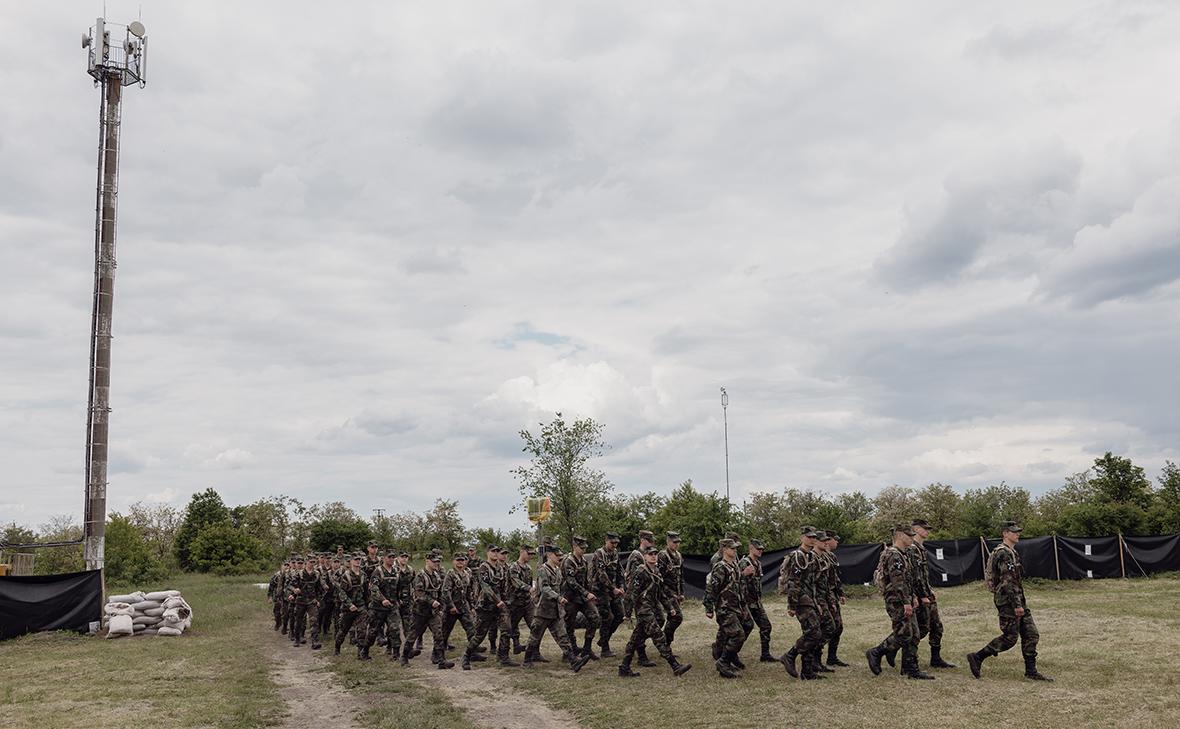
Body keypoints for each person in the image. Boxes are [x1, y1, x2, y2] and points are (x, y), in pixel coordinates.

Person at [967, 521, 1052, 681]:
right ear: (1005, 533)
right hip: (1008, 601)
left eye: (1018, 531)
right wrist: (1017, 605)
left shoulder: (1011, 552)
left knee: (1031, 634)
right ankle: (977, 657)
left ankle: (1031, 671)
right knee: (1010, 638)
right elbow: (1007, 581)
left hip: (1018, 599)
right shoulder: (1003, 553)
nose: (1017, 534)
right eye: (1013, 532)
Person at [866, 525, 933, 680]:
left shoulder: (904, 554)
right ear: (900, 536)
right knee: (904, 633)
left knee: (914, 633)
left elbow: (909, 579)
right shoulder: (894, 555)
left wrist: (914, 596)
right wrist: (906, 602)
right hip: (897, 600)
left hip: (906, 598)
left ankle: (910, 668)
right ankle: (876, 652)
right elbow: (898, 582)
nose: (911, 538)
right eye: (909, 535)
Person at [618, 545, 691, 678]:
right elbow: (631, 595)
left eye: (655, 554)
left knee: (635, 639)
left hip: (650, 608)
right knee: (659, 637)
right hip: (643, 610)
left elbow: (661, 593)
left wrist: (670, 608)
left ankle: (624, 667)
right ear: (645, 556)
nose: (653, 556)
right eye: (650, 554)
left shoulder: (656, 571)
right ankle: (675, 666)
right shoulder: (640, 571)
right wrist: (627, 614)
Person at [523, 545, 590, 672]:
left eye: (560, 556)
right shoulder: (543, 570)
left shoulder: (558, 570)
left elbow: (560, 587)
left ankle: (573, 661)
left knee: (562, 636)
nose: (559, 558)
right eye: (557, 555)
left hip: (555, 611)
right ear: (549, 555)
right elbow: (545, 588)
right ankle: (527, 660)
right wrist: (558, 598)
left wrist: (561, 599)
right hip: (543, 611)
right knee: (534, 637)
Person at [778, 526, 824, 679]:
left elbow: (813, 583)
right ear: (802, 538)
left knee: (814, 634)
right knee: (813, 632)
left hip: (810, 599)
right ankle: (790, 655)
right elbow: (794, 583)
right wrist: (792, 605)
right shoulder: (798, 556)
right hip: (801, 601)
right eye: (809, 537)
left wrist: (817, 602)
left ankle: (807, 671)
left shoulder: (811, 556)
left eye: (813, 537)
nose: (812, 539)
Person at [705, 537, 752, 678]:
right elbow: (711, 588)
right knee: (738, 635)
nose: (735, 550)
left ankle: (724, 657)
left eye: (736, 548)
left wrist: (743, 605)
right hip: (725, 608)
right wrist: (709, 607)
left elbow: (737, 586)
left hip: (735, 607)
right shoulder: (720, 567)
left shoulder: (734, 566)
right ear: (724, 549)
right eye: (732, 548)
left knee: (732, 633)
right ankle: (723, 662)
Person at [910, 519, 954, 669]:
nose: (927, 531)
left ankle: (936, 659)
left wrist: (929, 590)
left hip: (926, 593)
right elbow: (914, 576)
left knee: (937, 626)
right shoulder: (912, 549)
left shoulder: (921, 548)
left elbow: (923, 575)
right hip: (918, 596)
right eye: (924, 528)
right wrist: (920, 595)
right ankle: (886, 649)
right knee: (919, 629)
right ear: (915, 529)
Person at [401, 553, 455, 669]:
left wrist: (440, 606)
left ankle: (441, 660)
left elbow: (440, 592)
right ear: (427, 561)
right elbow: (418, 593)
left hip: (433, 613)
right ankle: (404, 657)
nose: (436, 563)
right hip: (420, 612)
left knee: (438, 634)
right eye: (434, 561)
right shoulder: (420, 576)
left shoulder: (436, 576)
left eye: (437, 561)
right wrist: (431, 601)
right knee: (412, 635)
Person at [465, 546, 512, 669]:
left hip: (499, 606)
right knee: (480, 635)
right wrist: (497, 601)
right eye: (493, 551)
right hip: (485, 606)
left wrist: (505, 601)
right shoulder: (483, 568)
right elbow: (485, 588)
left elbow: (504, 587)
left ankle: (503, 657)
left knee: (506, 630)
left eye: (497, 551)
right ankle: (467, 656)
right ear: (487, 553)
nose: (495, 554)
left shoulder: (501, 568)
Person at [562, 535, 601, 660]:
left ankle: (587, 648)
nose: (583, 550)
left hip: (582, 598)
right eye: (581, 547)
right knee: (569, 625)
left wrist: (590, 593)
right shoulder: (568, 561)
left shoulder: (584, 561)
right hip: (570, 598)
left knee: (595, 618)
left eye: (585, 547)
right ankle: (569, 650)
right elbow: (571, 582)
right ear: (574, 546)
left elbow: (586, 581)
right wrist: (586, 593)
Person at [622, 530, 657, 667]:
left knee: (654, 621)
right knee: (643, 625)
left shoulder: (646, 555)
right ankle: (640, 654)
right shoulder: (637, 556)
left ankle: (635, 650)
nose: (651, 543)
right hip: (639, 597)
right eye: (649, 540)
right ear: (642, 540)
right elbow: (637, 580)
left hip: (647, 597)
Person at [441, 552, 482, 665]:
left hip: (463, 607)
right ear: (453, 561)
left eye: (462, 560)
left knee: (471, 630)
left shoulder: (466, 573)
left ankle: (473, 653)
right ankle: (437, 654)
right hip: (451, 609)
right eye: (458, 560)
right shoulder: (450, 574)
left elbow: (468, 591)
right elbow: (446, 592)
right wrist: (451, 606)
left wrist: (472, 606)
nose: (460, 562)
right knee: (444, 632)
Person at [738, 538, 775, 663]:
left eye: (762, 549)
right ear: (751, 548)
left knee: (766, 626)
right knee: (744, 629)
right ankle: (731, 653)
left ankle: (765, 655)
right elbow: (734, 582)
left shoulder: (758, 564)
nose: (760, 551)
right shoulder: (744, 562)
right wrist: (744, 574)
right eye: (758, 549)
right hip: (745, 602)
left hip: (756, 602)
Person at [590, 533, 626, 657]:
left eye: (616, 543)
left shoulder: (615, 553)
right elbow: (601, 574)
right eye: (612, 543)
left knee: (620, 615)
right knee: (608, 617)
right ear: (606, 541)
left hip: (613, 589)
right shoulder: (599, 554)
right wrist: (613, 588)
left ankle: (603, 639)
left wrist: (621, 585)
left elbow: (619, 571)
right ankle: (605, 648)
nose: (614, 545)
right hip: (600, 590)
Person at [821, 532, 849, 667]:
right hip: (824, 596)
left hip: (832, 595)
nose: (837, 543)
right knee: (828, 627)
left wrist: (840, 593)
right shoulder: (820, 556)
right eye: (835, 540)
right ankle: (815, 659)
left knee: (838, 627)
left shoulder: (831, 556)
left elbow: (835, 578)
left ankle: (832, 657)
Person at [503, 545, 536, 658]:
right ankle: (504, 654)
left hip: (527, 603)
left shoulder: (529, 568)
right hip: (514, 603)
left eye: (532, 554)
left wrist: (532, 594)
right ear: (522, 552)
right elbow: (515, 582)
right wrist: (529, 588)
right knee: (509, 629)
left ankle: (534, 653)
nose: (530, 556)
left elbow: (531, 583)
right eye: (529, 554)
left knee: (535, 627)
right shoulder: (513, 567)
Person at [657, 532, 686, 655]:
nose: (677, 544)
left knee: (672, 618)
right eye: (674, 542)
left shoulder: (678, 556)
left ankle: (665, 645)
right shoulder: (662, 556)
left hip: (675, 592)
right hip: (665, 592)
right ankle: (664, 643)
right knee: (677, 617)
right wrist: (670, 594)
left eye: (678, 542)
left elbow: (681, 576)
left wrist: (681, 593)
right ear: (668, 542)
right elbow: (660, 579)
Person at [289, 554, 325, 649]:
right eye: (310, 562)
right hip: (300, 600)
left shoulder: (317, 574)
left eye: (314, 562)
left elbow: (320, 589)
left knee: (314, 621)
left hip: (311, 601)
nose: (312, 564)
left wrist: (318, 599)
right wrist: (294, 590)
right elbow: (290, 585)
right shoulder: (299, 574)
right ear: (306, 562)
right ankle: (297, 639)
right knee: (299, 621)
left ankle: (315, 641)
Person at [335, 554, 367, 657]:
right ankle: (337, 648)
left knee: (362, 630)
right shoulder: (346, 575)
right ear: (351, 561)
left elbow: (367, 592)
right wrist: (349, 604)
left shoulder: (363, 575)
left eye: (359, 559)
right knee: (343, 630)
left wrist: (368, 604)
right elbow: (342, 593)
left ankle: (361, 653)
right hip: (348, 609)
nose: (358, 561)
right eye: (356, 559)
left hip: (360, 607)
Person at [268, 561, 287, 632]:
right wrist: (270, 597)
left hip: (286, 597)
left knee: (286, 612)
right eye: (285, 565)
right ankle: (278, 623)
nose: (286, 566)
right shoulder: (276, 575)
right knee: (277, 612)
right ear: (281, 566)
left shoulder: (290, 575)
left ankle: (285, 626)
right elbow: (271, 587)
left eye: (288, 565)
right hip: (277, 596)